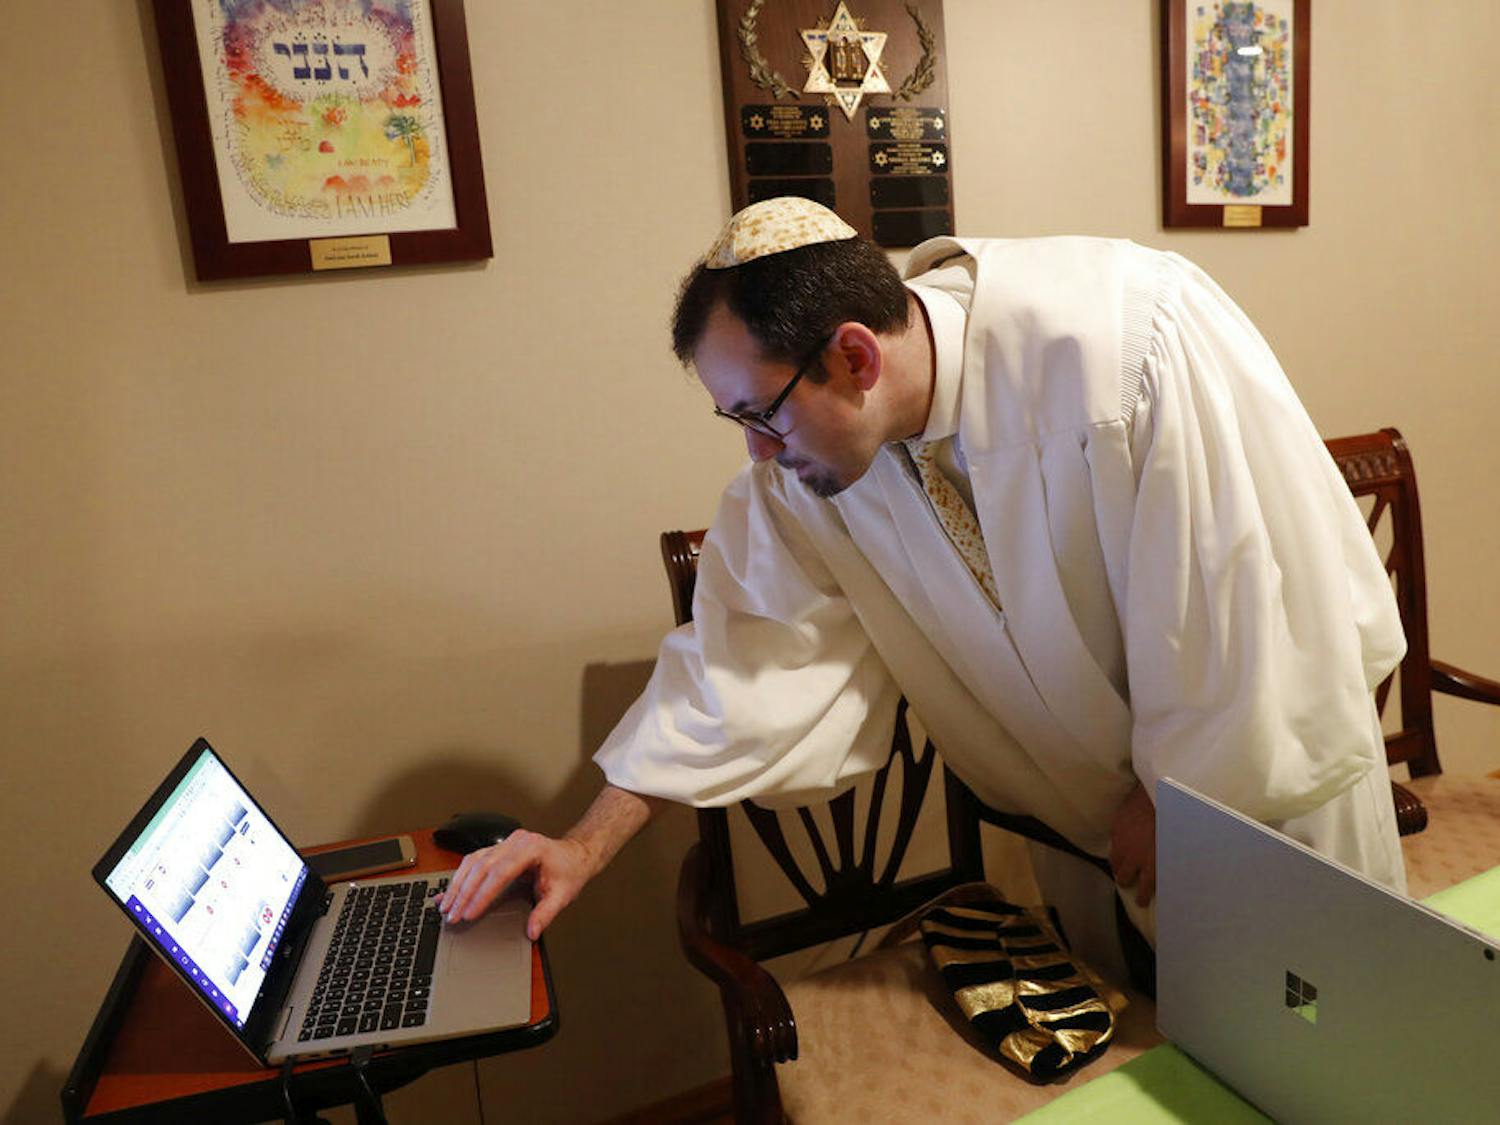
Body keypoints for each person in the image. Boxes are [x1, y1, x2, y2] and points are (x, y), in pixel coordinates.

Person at [438, 197, 1406, 979]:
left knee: (1319, 1064)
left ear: (855, 354)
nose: (757, 451)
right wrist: (583, 845)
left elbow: (1236, 598)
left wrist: (1176, 798)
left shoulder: (1122, 340)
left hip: (1261, 808)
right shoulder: (808, 476)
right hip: (1087, 837)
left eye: (762, 413)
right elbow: (740, 665)